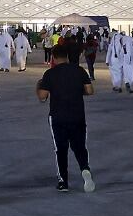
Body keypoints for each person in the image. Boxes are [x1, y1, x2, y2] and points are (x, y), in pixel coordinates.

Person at [36, 44, 95, 192]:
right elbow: (90, 90)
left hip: (58, 117)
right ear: (67, 56)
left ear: (53, 58)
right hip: (78, 115)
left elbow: (42, 97)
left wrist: (38, 87)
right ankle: (85, 169)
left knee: (61, 149)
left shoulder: (50, 74)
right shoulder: (79, 70)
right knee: (80, 146)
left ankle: (63, 181)